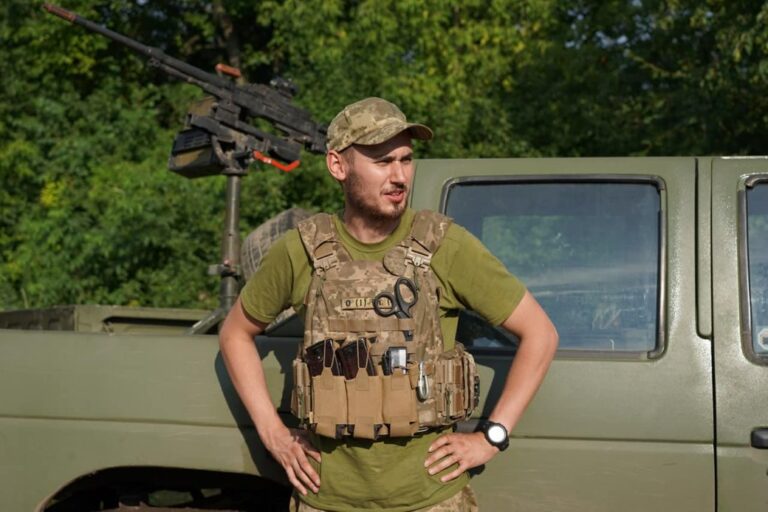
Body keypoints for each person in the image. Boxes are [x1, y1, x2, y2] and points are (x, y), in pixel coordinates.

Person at [219, 97, 559, 511]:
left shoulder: (445, 246)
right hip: (328, 500)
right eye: (382, 161)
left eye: (406, 160)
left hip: (429, 500)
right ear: (338, 166)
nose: (399, 176)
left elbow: (540, 333)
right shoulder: (301, 251)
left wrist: (492, 436)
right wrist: (273, 434)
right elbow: (235, 334)